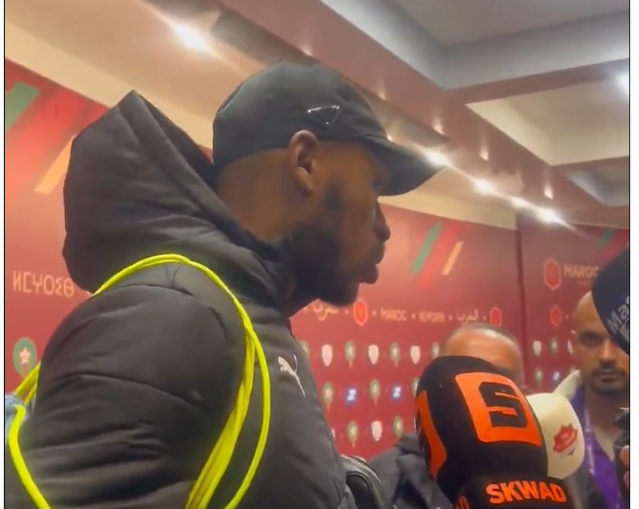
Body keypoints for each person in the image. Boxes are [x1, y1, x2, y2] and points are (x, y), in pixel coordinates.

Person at [4, 64, 437, 509]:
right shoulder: (175, 317)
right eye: (375, 187)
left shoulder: (240, 315)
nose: (384, 226)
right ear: (305, 162)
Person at [369, 323, 524, 509]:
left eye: (501, 378)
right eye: (467, 375)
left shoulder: (551, 474)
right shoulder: (382, 479)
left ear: (524, 394)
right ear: (437, 387)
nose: (483, 391)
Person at [555, 291, 630, 509]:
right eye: (591, 340)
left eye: (621, 339)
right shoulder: (542, 434)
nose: (606, 356)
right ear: (574, 345)